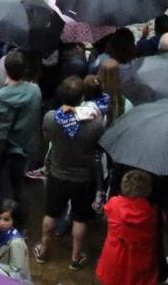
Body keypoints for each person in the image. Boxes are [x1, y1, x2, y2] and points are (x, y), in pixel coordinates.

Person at [34, 76, 104, 270]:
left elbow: (47, 136)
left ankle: (43, 250)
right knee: (80, 218)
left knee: (50, 213)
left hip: (58, 174)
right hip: (84, 178)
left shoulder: (50, 118)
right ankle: (76, 257)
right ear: (81, 98)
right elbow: (98, 145)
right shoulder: (95, 123)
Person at [0, 51, 42, 222]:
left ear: (6, 70)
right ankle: (21, 221)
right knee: (18, 185)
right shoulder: (35, 91)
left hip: (1, 147)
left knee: (1, 186)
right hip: (23, 147)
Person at [96, 170, 159, 285]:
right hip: (140, 258)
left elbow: (106, 215)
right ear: (147, 189)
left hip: (115, 254)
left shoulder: (113, 204)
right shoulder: (151, 211)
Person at [0, 200, 31, 283]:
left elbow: (16, 271)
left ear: (14, 220)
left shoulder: (16, 243)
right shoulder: (3, 232)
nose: (1, 223)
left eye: (6, 220)